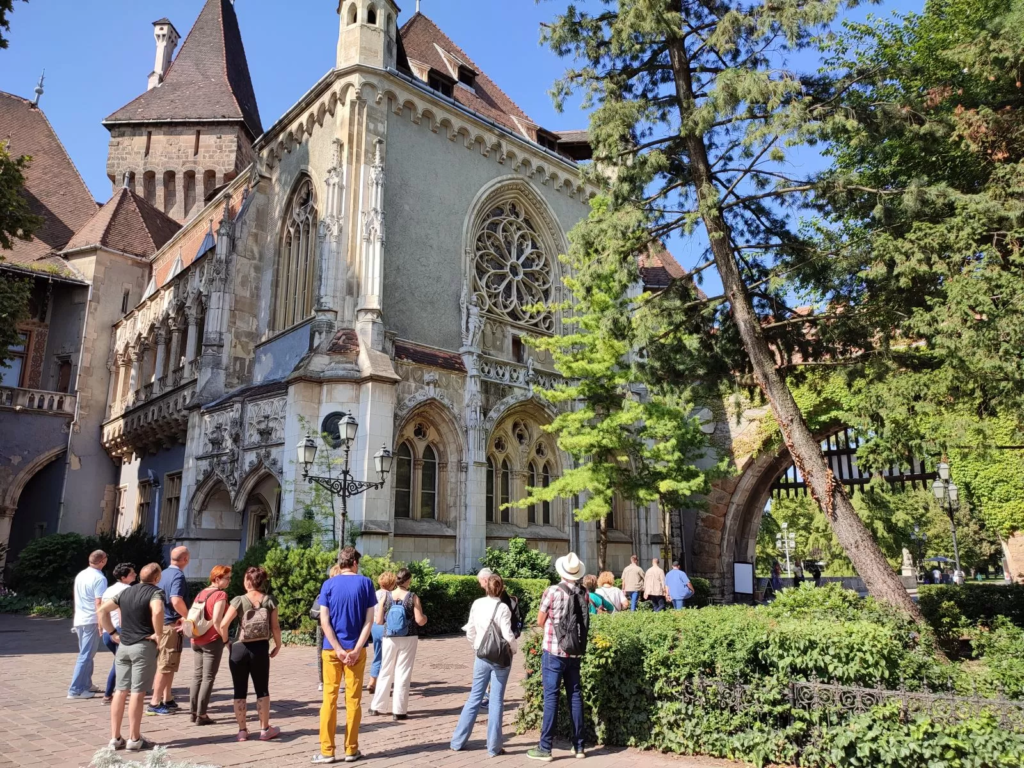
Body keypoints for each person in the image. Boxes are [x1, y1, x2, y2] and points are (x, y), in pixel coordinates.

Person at [314, 546, 377, 764]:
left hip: (331, 650)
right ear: (355, 563)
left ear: (340, 563)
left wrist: (338, 649)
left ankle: (327, 751)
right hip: (356, 650)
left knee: (329, 699)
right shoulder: (366, 583)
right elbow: (370, 620)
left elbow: (324, 621)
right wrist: (357, 648)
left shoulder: (328, 584)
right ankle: (351, 749)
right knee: (353, 700)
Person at [527, 552, 589, 762]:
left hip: (553, 651)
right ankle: (579, 746)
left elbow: (540, 619)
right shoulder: (583, 592)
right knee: (575, 695)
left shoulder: (552, 591)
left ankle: (545, 747)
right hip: (575, 650)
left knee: (551, 697)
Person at [98, 562, 165, 752]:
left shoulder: (126, 592)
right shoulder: (155, 592)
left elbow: (102, 610)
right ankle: (134, 738)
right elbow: (158, 610)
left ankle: (115, 737)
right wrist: (158, 634)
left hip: (124, 646)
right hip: (143, 645)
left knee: (120, 690)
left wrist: (112, 632)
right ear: (157, 578)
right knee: (137, 692)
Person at [450, 573, 517, 758]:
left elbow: (469, 629)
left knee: (474, 697)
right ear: (501, 588)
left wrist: (476, 645)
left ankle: (457, 741)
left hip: (481, 655)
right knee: (496, 701)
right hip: (500, 658)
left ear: (486, 587)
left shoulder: (477, 603)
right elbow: (507, 633)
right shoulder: (503, 607)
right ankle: (493, 747)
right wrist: (514, 648)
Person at [218, 565, 282, 742]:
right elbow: (275, 626)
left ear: (247, 581)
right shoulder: (270, 600)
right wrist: (278, 644)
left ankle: (242, 731)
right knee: (262, 689)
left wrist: (226, 642)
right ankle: (264, 729)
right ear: (262, 582)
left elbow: (223, 625)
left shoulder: (238, 600)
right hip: (260, 648)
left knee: (239, 690)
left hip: (239, 648)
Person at [369, 567, 429, 720]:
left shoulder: (386, 596)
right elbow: (419, 621)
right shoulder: (413, 597)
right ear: (408, 580)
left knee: (385, 670)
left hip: (389, 637)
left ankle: (377, 707)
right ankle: (399, 711)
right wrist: (426, 617)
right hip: (408, 637)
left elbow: (379, 621)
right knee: (403, 672)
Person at [148, 546, 190, 716]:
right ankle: (154, 703)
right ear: (185, 559)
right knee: (165, 665)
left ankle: (168, 698)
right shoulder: (178, 575)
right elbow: (176, 600)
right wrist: (189, 616)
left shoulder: (163, 573)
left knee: (169, 664)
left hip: (162, 623)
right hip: (169, 625)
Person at [188, 565, 231, 725]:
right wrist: (226, 640)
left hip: (196, 638)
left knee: (197, 676)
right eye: (227, 578)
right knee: (208, 677)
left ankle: (193, 712)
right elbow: (218, 621)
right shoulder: (220, 594)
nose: (229, 581)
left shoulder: (201, 593)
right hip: (212, 640)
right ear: (217, 578)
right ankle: (202, 714)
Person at [68, 550, 108, 700]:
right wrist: (101, 621)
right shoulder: (99, 578)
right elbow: (99, 602)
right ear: (102, 561)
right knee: (85, 655)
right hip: (91, 619)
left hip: (80, 618)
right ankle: (75, 689)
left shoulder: (81, 575)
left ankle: (86, 684)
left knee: (87, 654)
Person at [100, 563, 137, 703]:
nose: (135, 575)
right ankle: (109, 694)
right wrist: (126, 629)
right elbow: (123, 611)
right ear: (124, 577)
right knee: (119, 662)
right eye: (132, 573)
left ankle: (122, 689)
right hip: (120, 631)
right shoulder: (127, 590)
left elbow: (101, 609)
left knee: (120, 661)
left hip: (107, 630)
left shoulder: (109, 590)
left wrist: (101, 626)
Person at [313, 564, 344, 693]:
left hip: (321, 625)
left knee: (322, 654)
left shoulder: (326, 587)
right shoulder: (336, 590)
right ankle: (331, 681)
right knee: (335, 652)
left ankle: (323, 681)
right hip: (331, 626)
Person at [369, 571, 398, 695]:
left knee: (377, 654)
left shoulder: (375, 594)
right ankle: (383, 685)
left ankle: (372, 682)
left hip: (374, 626)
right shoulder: (391, 596)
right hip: (386, 627)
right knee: (389, 658)